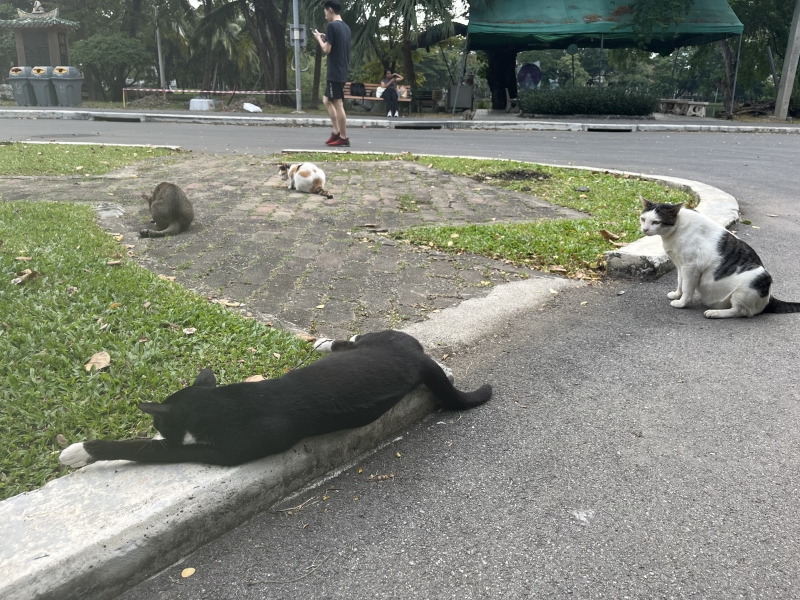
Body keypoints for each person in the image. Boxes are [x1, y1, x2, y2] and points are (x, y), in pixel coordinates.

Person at [312, 0, 351, 147]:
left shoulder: (331, 25)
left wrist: (319, 39)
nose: (325, 17)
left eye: (325, 13)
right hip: (342, 69)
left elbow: (327, 50)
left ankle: (343, 136)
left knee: (338, 103)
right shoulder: (345, 27)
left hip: (335, 71)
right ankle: (336, 132)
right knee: (327, 100)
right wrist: (326, 37)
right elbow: (336, 44)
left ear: (330, 10)